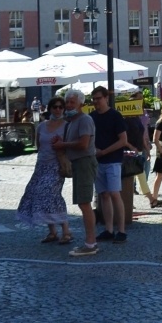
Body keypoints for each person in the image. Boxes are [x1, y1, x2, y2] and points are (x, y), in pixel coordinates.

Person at [17, 97, 73, 245]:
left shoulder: (67, 126)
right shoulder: (42, 126)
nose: (58, 109)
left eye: (61, 107)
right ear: (50, 108)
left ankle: (66, 230)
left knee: (50, 193)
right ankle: (52, 231)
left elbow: (70, 145)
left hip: (57, 165)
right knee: (36, 193)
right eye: (55, 107)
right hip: (41, 165)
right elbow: (38, 144)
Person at [56, 90, 100, 256]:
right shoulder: (72, 121)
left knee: (84, 203)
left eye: (72, 102)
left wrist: (63, 145)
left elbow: (83, 144)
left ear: (81, 104)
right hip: (79, 163)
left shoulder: (85, 120)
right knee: (83, 203)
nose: (68, 105)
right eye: (67, 102)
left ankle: (90, 244)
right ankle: (90, 242)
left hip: (84, 162)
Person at [89, 86, 129, 245]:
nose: (95, 102)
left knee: (114, 193)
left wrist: (104, 151)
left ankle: (122, 230)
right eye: (93, 99)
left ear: (106, 98)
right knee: (103, 195)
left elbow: (123, 140)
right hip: (97, 161)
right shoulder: (91, 117)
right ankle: (109, 229)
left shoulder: (115, 116)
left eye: (98, 98)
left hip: (113, 160)